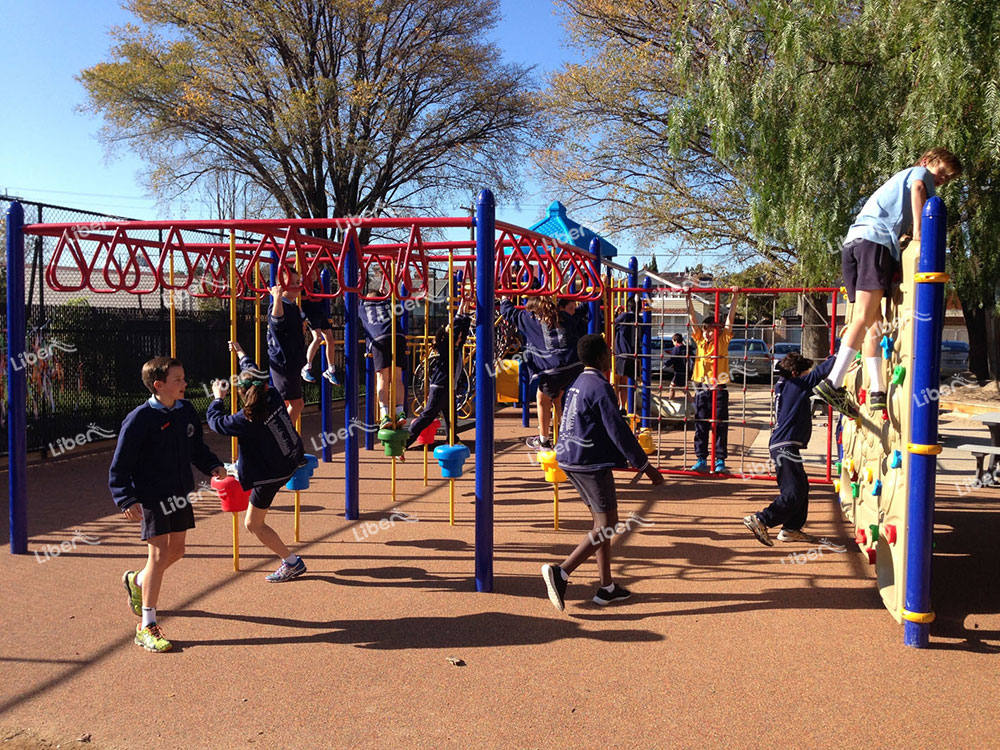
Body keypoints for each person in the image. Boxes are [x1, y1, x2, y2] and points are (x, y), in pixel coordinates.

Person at [813, 148, 962, 417]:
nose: (941, 181)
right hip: (874, 243)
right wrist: (918, 233)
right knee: (862, 316)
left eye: (946, 180)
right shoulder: (919, 174)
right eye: (941, 174)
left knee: (874, 322)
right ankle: (832, 382)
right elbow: (918, 188)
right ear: (928, 162)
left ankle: (877, 390)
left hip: (854, 244)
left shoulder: (897, 183)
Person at [109, 356, 226, 652]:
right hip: (151, 496)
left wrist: (212, 465)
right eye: (178, 380)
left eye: (184, 378)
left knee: (177, 551)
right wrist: (125, 497)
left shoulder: (185, 410)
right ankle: (147, 626)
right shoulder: (139, 420)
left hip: (178, 493)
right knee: (159, 555)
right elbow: (120, 465)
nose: (185, 384)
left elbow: (195, 447)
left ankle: (137, 580)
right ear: (159, 385)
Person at [541, 334, 663, 611]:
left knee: (603, 523)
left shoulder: (577, 383)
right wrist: (646, 467)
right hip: (588, 462)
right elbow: (618, 430)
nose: (611, 354)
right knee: (607, 524)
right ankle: (561, 572)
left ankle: (606, 587)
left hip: (570, 458)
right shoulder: (600, 386)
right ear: (600, 357)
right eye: (608, 351)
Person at [207, 341, 308, 580]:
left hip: (272, 473)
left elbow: (216, 423)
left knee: (253, 524)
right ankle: (239, 470)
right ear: (264, 386)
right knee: (251, 459)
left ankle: (292, 562)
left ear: (241, 393)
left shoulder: (245, 419)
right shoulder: (272, 394)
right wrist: (242, 354)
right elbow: (254, 371)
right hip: (292, 458)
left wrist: (217, 398)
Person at [743, 351, 835, 546]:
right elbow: (820, 373)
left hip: (783, 445)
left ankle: (791, 528)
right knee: (793, 492)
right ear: (795, 373)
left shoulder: (784, 385)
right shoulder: (795, 385)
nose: (807, 378)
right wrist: (844, 352)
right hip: (785, 446)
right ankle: (762, 519)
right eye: (804, 374)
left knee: (801, 487)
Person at [500, 294, 589, 451]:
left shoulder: (531, 320)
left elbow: (509, 313)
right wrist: (594, 297)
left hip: (554, 369)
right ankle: (563, 434)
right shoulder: (562, 315)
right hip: (575, 365)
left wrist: (505, 299)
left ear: (533, 310)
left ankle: (544, 441)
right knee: (558, 396)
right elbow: (581, 311)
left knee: (541, 399)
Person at [405, 297, 472, 450]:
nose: (461, 337)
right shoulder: (445, 348)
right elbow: (455, 331)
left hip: (449, 387)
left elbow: (463, 329)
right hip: (440, 387)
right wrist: (458, 317)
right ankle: (406, 441)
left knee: (451, 418)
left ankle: (452, 439)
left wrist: (464, 310)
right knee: (428, 416)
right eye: (457, 335)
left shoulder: (456, 347)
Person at [686, 292, 738, 473]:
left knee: (720, 424)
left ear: (718, 331)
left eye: (711, 330)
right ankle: (701, 458)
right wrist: (688, 298)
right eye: (706, 330)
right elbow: (692, 318)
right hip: (701, 388)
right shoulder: (700, 341)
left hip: (719, 387)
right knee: (701, 424)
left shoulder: (723, 340)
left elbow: (730, 319)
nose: (708, 334)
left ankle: (720, 460)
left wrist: (735, 297)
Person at [360, 276, 408, 429]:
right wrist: (386, 293)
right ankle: (400, 411)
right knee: (397, 377)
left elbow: (351, 295)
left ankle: (384, 413)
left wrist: (360, 280)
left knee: (382, 377)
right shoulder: (387, 303)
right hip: (398, 336)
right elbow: (393, 300)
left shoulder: (362, 306)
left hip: (379, 338)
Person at [267, 269, 307, 424]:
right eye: (293, 283)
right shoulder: (279, 304)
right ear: (281, 286)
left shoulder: (293, 306)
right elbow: (277, 322)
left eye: (298, 282)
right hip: (282, 362)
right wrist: (277, 298)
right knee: (293, 403)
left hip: (291, 361)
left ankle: (282, 435)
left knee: (294, 403)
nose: (297, 286)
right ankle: (281, 436)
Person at [611, 299, 650, 413]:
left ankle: (614, 404)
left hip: (621, 354)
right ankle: (622, 406)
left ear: (627, 307)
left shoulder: (623, 317)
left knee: (614, 382)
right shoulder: (641, 320)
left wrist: (615, 314)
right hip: (633, 355)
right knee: (624, 383)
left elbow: (613, 325)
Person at [300, 278, 340, 386]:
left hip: (320, 313)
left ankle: (330, 370)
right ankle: (306, 367)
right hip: (310, 314)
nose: (313, 273)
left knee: (330, 340)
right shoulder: (302, 283)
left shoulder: (317, 284)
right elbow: (299, 299)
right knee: (317, 338)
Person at [667, 332, 689, 400]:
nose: (673, 343)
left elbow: (672, 359)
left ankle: (692, 402)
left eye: (673, 341)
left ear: (675, 341)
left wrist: (666, 364)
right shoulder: (686, 348)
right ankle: (671, 399)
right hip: (685, 370)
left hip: (679, 371)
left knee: (682, 389)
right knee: (672, 386)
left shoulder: (676, 349)